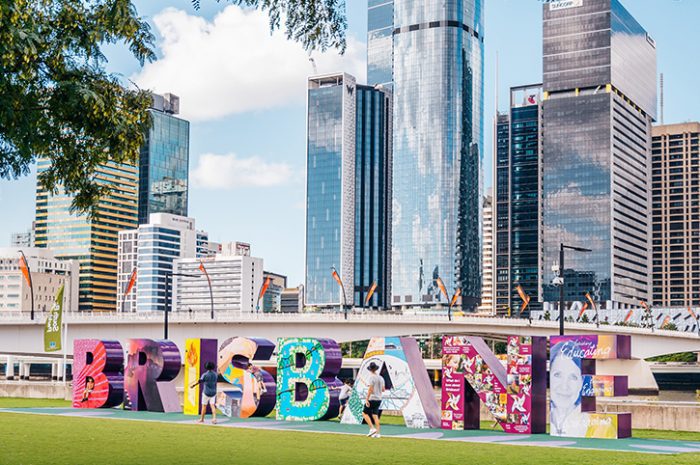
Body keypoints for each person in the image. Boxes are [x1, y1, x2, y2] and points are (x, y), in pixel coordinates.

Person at [549, 341, 587, 437]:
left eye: (573, 377)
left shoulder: (599, 428)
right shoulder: (542, 418)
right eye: (557, 375)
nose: (564, 386)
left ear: (581, 382)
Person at [362, 362, 385, 438]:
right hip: (379, 398)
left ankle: (372, 428)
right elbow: (383, 389)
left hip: (372, 398)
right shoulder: (381, 378)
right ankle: (378, 433)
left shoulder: (371, 377)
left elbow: (370, 389)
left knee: (364, 413)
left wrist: (367, 399)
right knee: (375, 416)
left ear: (370, 369)